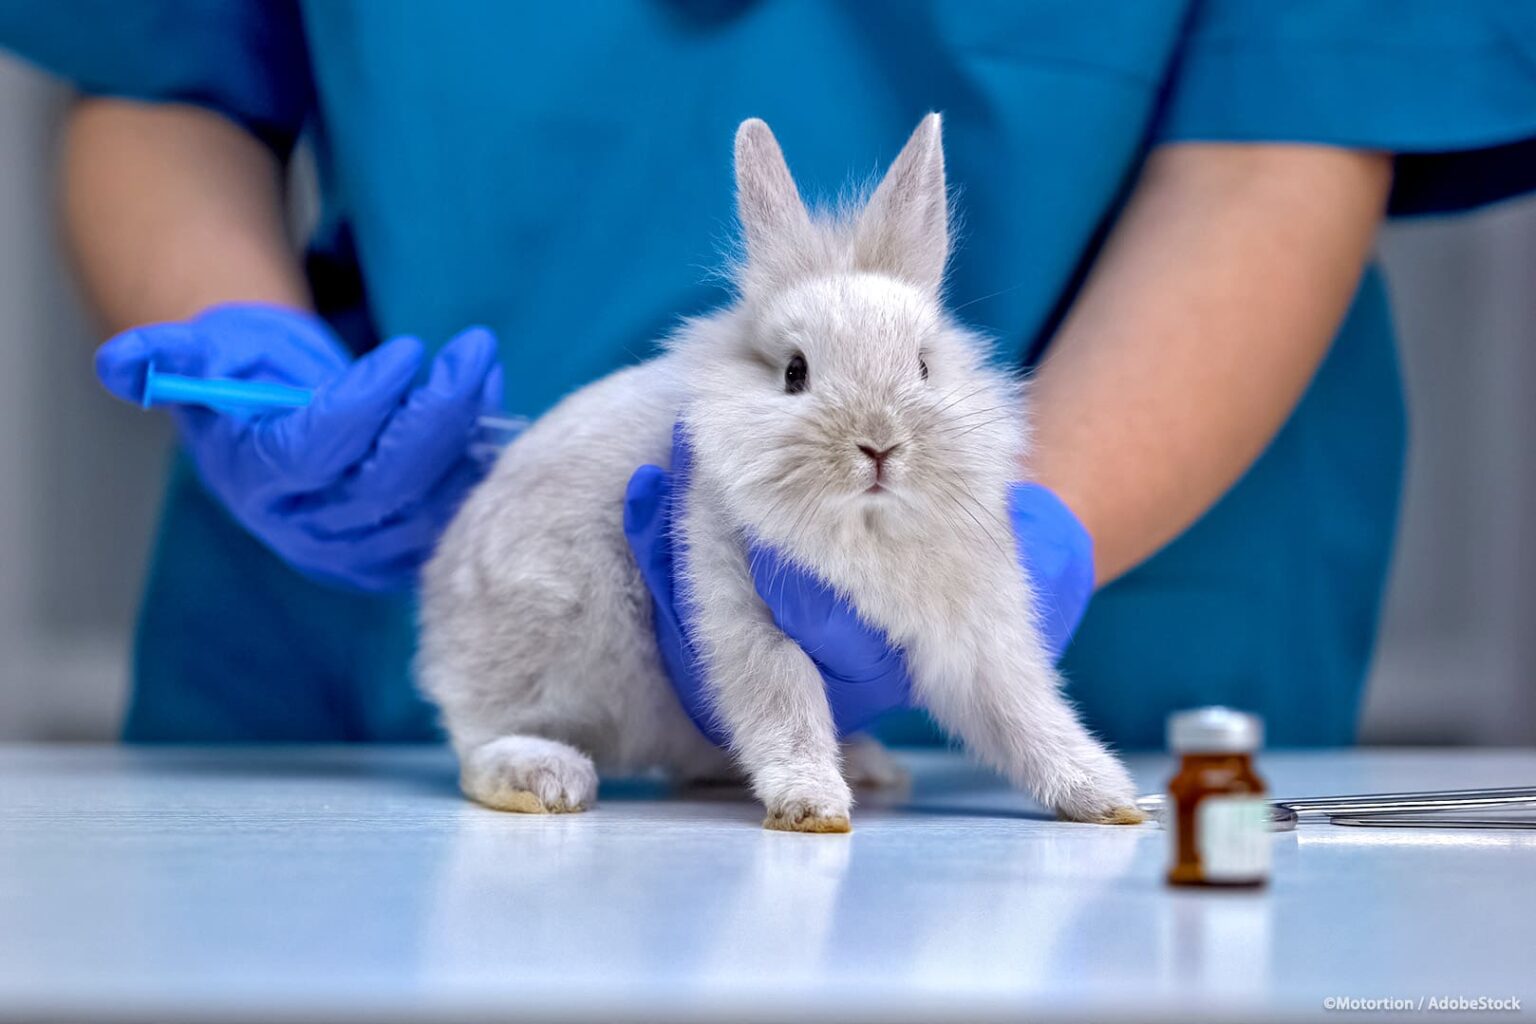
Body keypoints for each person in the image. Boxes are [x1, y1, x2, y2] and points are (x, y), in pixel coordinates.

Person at [1, 2, 1532, 748]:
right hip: (357, 683)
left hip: (1128, 619)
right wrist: (250, 354)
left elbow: (1278, 151)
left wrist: (1003, 552)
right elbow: (157, 71)